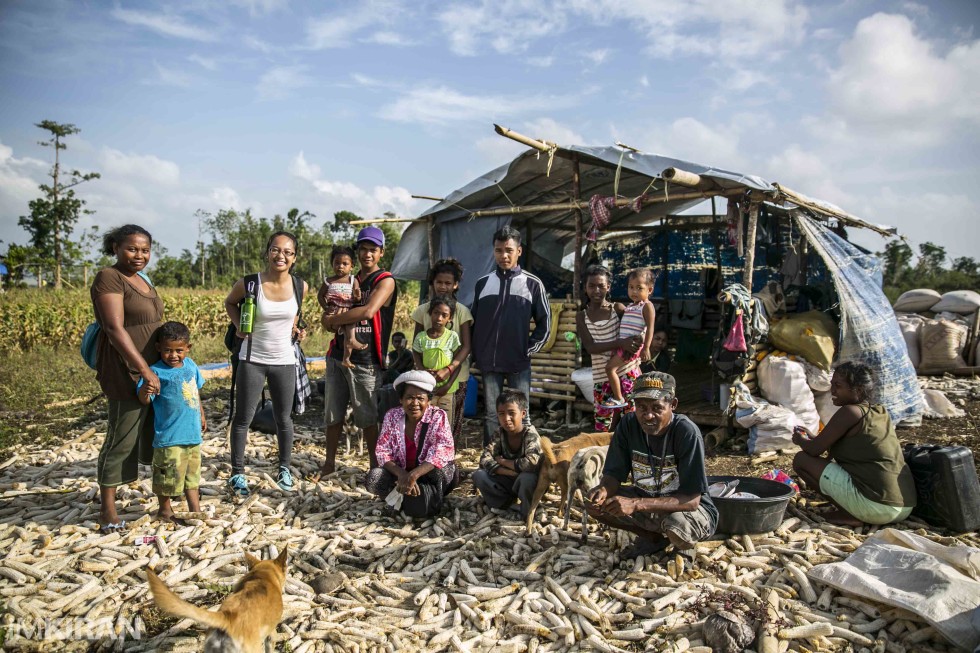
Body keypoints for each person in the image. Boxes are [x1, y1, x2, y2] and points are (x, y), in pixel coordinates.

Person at [587, 371, 718, 558]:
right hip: (648, 499)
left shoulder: (686, 432)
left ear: (673, 405)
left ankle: (685, 547)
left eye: (657, 408)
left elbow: (691, 500)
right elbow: (613, 476)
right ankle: (654, 539)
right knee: (601, 505)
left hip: (687, 510)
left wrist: (636, 504)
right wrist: (603, 490)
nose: (648, 416)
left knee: (677, 525)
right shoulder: (628, 425)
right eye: (641, 407)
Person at [90, 224, 164, 531]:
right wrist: (143, 369)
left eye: (145, 250)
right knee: (121, 436)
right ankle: (108, 509)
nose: (139, 255)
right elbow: (114, 328)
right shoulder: (109, 277)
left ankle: (162, 502)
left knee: (152, 433)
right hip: (126, 370)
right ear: (116, 248)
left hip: (155, 370)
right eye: (132, 249)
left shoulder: (142, 280)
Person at [224, 231, 308, 497]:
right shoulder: (250, 284)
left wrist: (297, 329)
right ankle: (237, 473)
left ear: (294, 257)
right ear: (267, 252)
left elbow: (294, 317)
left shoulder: (300, 286)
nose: (280, 256)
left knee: (284, 418)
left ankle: (284, 469)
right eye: (275, 249)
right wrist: (239, 326)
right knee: (243, 418)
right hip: (252, 359)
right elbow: (229, 303)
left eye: (287, 252)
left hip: (284, 360)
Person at [314, 226, 398, 480]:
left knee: (367, 415)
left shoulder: (385, 280)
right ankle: (329, 463)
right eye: (363, 249)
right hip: (337, 354)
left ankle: (374, 467)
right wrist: (327, 318)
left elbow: (367, 312)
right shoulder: (348, 278)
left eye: (373, 249)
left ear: (381, 252)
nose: (367, 254)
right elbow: (326, 300)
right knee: (333, 412)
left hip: (366, 359)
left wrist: (331, 321)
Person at [792, 362, 916, 526]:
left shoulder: (850, 412)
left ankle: (850, 513)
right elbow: (844, 444)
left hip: (879, 508)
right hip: (904, 507)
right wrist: (813, 437)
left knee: (802, 460)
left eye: (838, 386)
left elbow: (814, 450)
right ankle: (856, 508)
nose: (832, 390)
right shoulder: (879, 411)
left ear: (857, 390)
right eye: (832, 384)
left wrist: (799, 440)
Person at [471, 226, 551, 445]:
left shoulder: (532, 283)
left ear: (519, 251)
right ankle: (491, 460)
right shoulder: (483, 283)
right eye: (498, 250)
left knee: (520, 415)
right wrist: (477, 353)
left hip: (518, 362)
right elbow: (473, 321)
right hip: (489, 362)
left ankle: (524, 458)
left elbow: (545, 322)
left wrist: (528, 348)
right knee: (491, 415)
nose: (503, 255)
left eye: (508, 250)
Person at [136, 321, 206, 524]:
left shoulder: (191, 365)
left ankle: (195, 508)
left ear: (188, 349)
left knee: (192, 475)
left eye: (179, 350)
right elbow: (145, 400)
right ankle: (165, 510)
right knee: (167, 476)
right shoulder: (155, 372)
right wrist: (145, 390)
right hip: (169, 437)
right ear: (159, 348)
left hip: (192, 434)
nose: (173, 355)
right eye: (167, 350)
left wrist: (201, 413)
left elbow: (195, 391)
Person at [364, 371, 458, 518]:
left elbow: (443, 451)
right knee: (374, 478)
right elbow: (382, 451)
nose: (415, 403)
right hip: (400, 475)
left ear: (429, 401)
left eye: (420, 398)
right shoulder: (392, 416)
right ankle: (406, 495)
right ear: (401, 399)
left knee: (440, 473)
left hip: (428, 474)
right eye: (409, 398)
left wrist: (414, 475)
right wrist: (402, 475)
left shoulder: (438, 416)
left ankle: (420, 498)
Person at [411, 258, 472, 442]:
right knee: (426, 424)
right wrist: (421, 370)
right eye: (439, 282)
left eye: (448, 283)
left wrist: (449, 369)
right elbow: (416, 345)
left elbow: (466, 346)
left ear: (455, 285)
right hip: (427, 378)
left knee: (451, 424)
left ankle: (448, 464)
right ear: (432, 283)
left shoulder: (462, 312)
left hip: (456, 378)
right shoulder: (422, 311)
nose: (443, 286)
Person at [577, 265, 643, 432]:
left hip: (626, 372)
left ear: (608, 287)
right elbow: (591, 348)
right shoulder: (581, 316)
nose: (596, 290)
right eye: (591, 286)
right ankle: (606, 457)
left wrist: (638, 352)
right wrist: (621, 343)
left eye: (601, 285)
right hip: (601, 376)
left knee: (633, 420)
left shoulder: (618, 309)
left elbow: (636, 330)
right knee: (602, 425)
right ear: (585, 287)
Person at [472, 390, 542, 518]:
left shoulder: (531, 435)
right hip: (508, 479)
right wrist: (509, 472)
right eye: (501, 414)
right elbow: (484, 459)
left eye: (511, 413)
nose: (506, 419)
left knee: (527, 478)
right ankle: (504, 505)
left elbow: (531, 463)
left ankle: (527, 511)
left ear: (523, 414)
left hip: (526, 482)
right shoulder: (499, 433)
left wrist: (503, 462)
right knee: (479, 475)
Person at [603, 268, 656, 408]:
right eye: (631, 287)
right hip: (624, 345)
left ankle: (618, 398)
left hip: (631, 346)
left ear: (649, 290)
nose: (634, 291)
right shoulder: (632, 306)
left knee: (609, 369)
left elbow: (650, 328)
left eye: (639, 288)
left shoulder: (647, 306)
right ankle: (642, 392)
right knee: (633, 372)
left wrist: (646, 348)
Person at [412, 296, 462, 424]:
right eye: (436, 313)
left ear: (449, 318)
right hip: (428, 390)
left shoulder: (452, 336)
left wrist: (448, 385)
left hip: (447, 391)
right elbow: (416, 355)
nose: (439, 318)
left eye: (444, 315)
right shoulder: (421, 337)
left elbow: (458, 364)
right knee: (426, 424)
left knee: (445, 425)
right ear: (430, 314)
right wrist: (423, 372)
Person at [317, 245, 366, 368]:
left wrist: (357, 296)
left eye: (345, 264)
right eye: (337, 263)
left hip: (347, 311)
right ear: (332, 264)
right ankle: (348, 346)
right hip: (333, 310)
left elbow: (356, 298)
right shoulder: (329, 281)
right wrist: (326, 308)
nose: (340, 266)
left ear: (352, 266)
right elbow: (320, 296)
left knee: (349, 335)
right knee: (341, 332)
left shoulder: (352, 280)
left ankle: (346, 358)